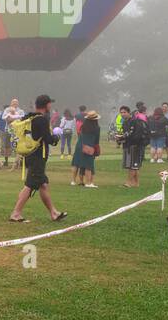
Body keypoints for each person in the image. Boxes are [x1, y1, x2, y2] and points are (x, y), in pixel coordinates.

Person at [9, 94, 66, 223]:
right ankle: (16, 213)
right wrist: (57, 137)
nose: (51, 105)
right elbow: (48, 139)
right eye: (50, 103)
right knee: (29, 185)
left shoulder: (29, 117)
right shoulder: (42, 119)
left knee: (43, 185)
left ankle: (54, 213)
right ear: (46, 105)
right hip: (38, 156)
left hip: (29, 154)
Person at [117, 105, 147, 188]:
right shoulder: (125, 122)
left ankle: (128, 183)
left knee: (132, 166)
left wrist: (130, 141)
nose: (122, 114)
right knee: (134, 166)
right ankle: (136, 183)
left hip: (135, 146)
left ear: (128, 112)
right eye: (121, 112)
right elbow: (124, 134)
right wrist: (120, 139)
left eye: (124, 112)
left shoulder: (135, 121)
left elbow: (137, 135)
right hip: (128, 146)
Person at [69, 110, 101, 188]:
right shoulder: (97, 128)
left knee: (76, 163)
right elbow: (96, 140)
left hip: (80, 145)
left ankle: (73, 181)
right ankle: (88, 183)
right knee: (88, 165)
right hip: (89, 147)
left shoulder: (83, 126)